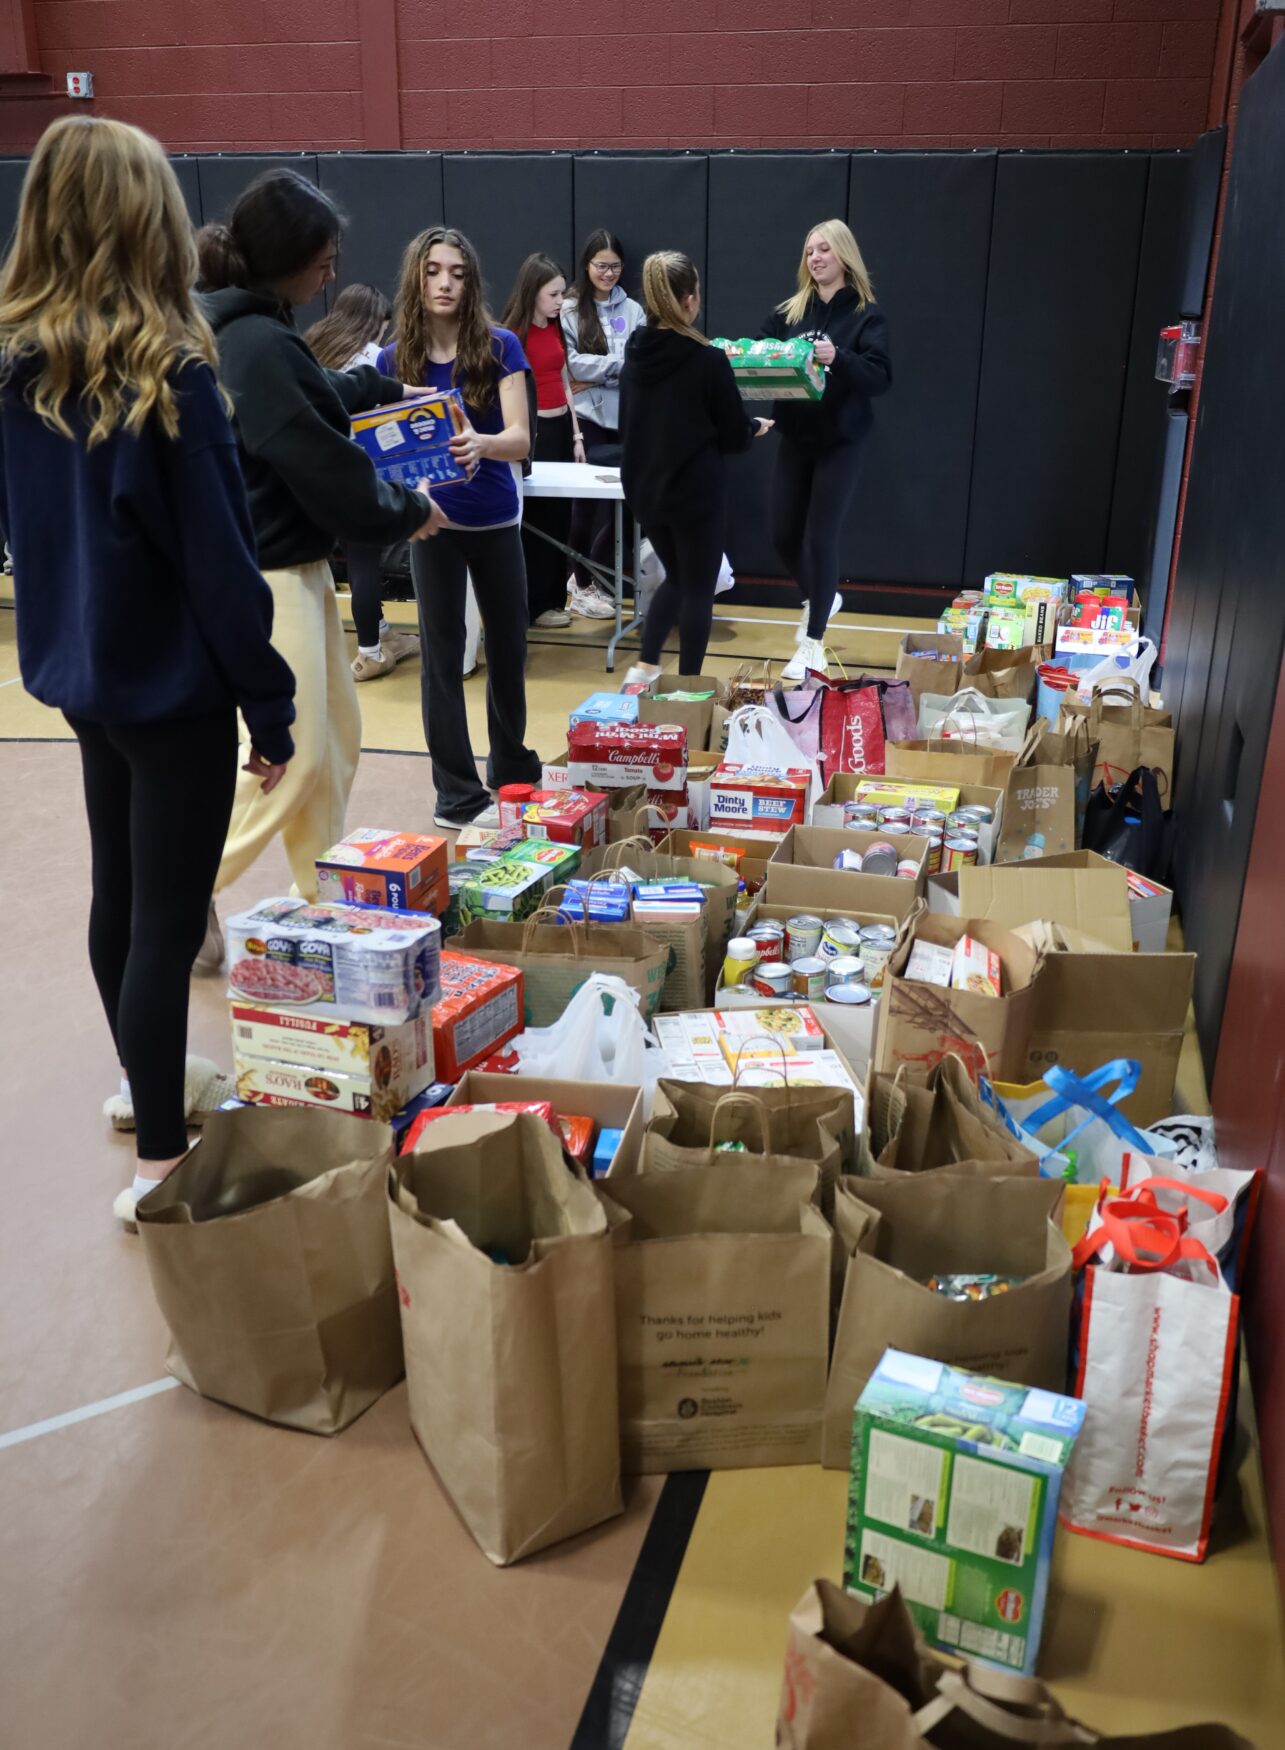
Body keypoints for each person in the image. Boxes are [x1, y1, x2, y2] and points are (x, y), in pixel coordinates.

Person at [0, 116, 297, 1222]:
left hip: (81, 673)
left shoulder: (20, 373)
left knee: (118, 893)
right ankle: (162, 1166)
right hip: (171, 690)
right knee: (166, 916)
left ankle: (143, 1089)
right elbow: (225, 573)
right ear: (148, 224)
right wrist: (269, 704)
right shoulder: (175, 380)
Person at [196, 172, 443, 946]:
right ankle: (183, 886)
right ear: (286, 258)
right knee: (292, 752)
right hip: (269, 575)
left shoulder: (259, 331)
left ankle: (325, 892)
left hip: (291, 570)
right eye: (324, 258)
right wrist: (407, 511)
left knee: (335, 738)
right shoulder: (253, 340)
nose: (331, 272)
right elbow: (320, 461)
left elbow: (310, 396)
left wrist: (372, 383)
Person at [377, 226, 541, 830]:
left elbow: (521, 438)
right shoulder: (393, 358)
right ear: (417, 281)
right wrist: (408, 494)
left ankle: (512, 771)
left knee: (507, 650)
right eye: (433, 271)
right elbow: (386, 449)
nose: (445, 283)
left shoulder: (501, 346)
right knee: (440, 658)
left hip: (496, 520)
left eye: (457, 273)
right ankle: (456, 794)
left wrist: (484, 443)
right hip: (432, 528)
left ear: (471, 283)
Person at [619, 252, 771, 679]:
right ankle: (688, 691)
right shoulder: (708, 360)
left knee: (679, 579)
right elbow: (731, 434)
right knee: (698, 589)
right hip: (694, 495)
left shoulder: (635, 355)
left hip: (647, 493)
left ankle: (646, 667)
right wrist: (753, 427)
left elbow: (628, 427)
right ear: (689, 300)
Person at [760, 218, 892, 682]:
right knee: (782, 536)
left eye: (824, 250)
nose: (815, 258)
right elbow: (759, 352)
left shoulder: (866, 314)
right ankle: (823, 596)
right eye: (809, 251)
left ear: (843, 255)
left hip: (841, 439)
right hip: (797, 435)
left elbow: (880, 376)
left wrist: (840, 358)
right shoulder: (790, 311)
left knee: (820, 538)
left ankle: (813, 644)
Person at [304, 284, 421, 683]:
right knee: (364, 558)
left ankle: (381, 632)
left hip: (312, 469)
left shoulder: (314, 342)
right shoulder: (373, 359)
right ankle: (370, 651)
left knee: (334, 562)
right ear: (375, 322)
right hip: (356, 468)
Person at [560, 228, 645, 619]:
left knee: (629, 502)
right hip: (588, 416)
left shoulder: (634, 311)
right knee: (587, 503)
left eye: (614, 267)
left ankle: (595, 572)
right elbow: (572, 364)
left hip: (627, 415)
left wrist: (604, 371)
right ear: (587, 265)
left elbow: (641, 362)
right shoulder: (570, 308)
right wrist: (617, 368)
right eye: (601, 266)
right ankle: (577, 581)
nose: (608, 274)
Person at [500, 252, 586, 629]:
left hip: (561, 427)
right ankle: (533, 603)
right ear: (533, 292)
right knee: (534, 519)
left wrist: (577, 432)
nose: (560, 302)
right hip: (533, 432)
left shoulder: (555, 328)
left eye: (562, 294)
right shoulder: (512, 335)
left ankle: (553, 597)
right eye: (553, 294)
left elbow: (563, 378)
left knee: (559, 517)